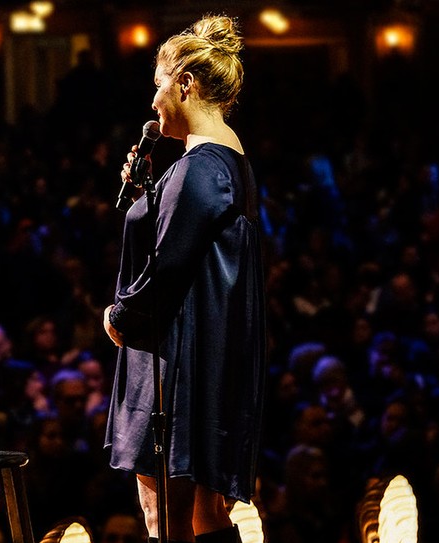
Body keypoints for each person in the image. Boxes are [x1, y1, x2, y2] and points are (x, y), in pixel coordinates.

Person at [102, 15, 266, 543]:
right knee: (202, 515)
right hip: (201, 356)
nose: (153, 102)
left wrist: (120, 316)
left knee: (166, 514)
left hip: (176, 361)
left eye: (159, 86)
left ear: (186, 84)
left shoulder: (200, 168)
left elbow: (168, 267)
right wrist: (145, 197)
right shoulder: (228, 163)